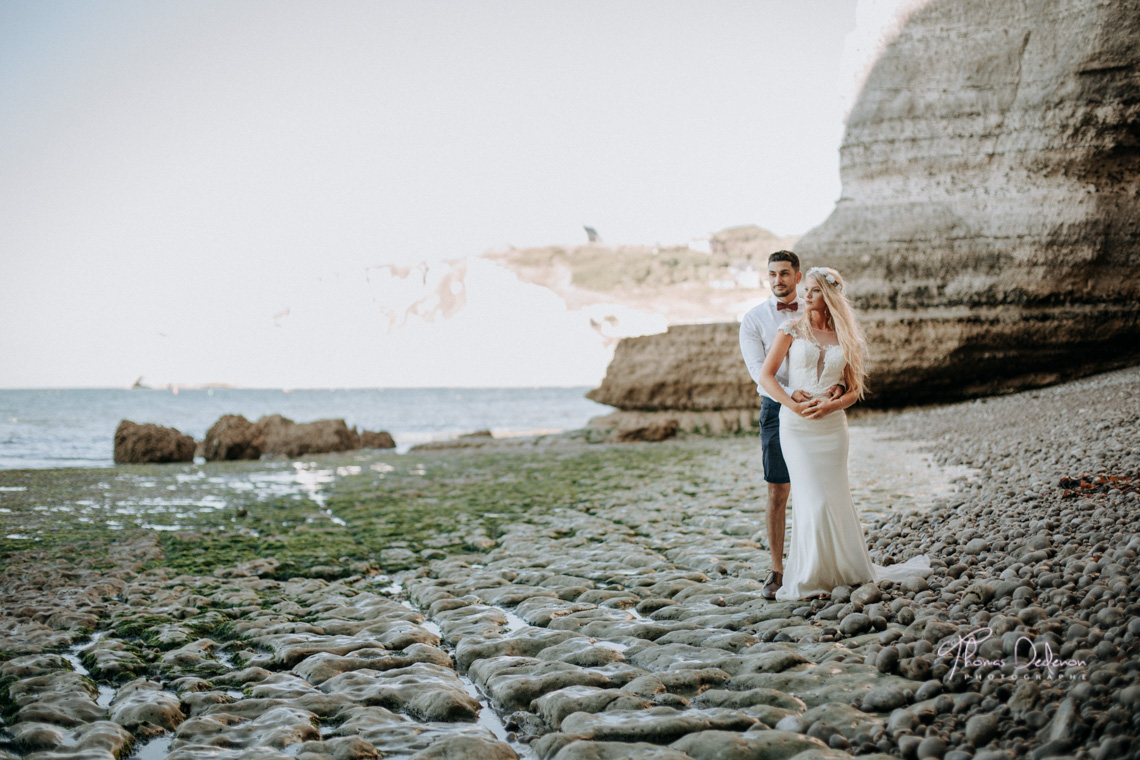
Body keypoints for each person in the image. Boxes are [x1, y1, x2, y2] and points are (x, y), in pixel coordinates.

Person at [759, 266, 931, 601]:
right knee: (812, 498)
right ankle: (810, 575)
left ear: (830, 296)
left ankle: (843, 570)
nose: (805, 296)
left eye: (813, 291)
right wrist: (792, 402)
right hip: (796, 425)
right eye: (805, 290)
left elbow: (854, 390)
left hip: (832, 428)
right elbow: (766, 377)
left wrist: (831, 407)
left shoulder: (846, 336)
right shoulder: (791, 329)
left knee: (835, 496)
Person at [739, 251, 843, 600]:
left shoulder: (819, 307)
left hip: (822, 410)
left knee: (820, 488)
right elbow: (759, 373)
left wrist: (837, 389)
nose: (778, 280)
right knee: (778, 490)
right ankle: (777, 570)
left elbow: (841, 359)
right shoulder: (754, 320)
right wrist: (790, 400)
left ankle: (822, 563)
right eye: (772, 274)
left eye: (784, 273)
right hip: (777, 409)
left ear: (798, 277)